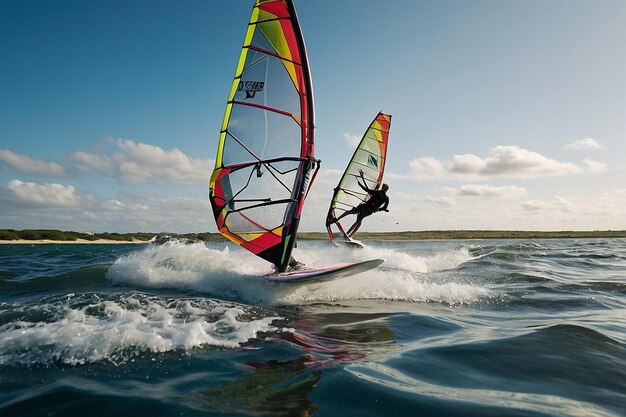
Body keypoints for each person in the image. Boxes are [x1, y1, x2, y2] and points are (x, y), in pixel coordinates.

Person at [329, 169, 389, 238]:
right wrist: (379, 209)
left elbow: (367, 190)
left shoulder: (378, 192)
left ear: (383, 188)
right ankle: (348, 235)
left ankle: (337, 220)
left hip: (364, 207)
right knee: (358, 222)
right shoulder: (386, 198)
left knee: (349, 212)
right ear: (386, 190)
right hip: (369, 211)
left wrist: (360, 185)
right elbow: (384, 208)